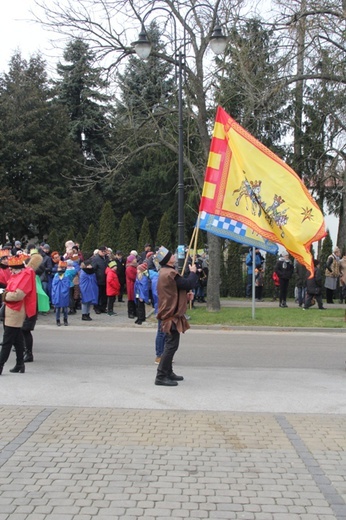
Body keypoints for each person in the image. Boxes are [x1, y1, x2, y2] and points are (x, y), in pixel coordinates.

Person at [154, 246, 198, 387]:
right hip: (169, 314)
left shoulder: (165, 272)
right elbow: (187, 283)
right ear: (167, 259)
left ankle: (168, 372)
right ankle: (161, 375)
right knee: (171, 345)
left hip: (167, 312)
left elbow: (176, 289)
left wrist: (185, 295)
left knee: (171, 344)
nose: (173, 255)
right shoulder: (170, 273)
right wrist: (192, 272)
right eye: (170, 254)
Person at [0, 254, 37, 375]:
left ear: (17, 268)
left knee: (7, 340)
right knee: (17, 340)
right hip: (12, 310)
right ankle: (20, 364)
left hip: (16, 311)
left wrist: (4, 295)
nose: (9, 270)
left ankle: (0, 364)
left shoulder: (23, 277)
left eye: (11, 268)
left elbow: (18, 295)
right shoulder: (19, 275)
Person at [51, 261, 70, 326]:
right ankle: (57, 320)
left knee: (65, 308)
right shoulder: (56, 275)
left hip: (64, 294)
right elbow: (54, 285)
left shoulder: (66, 275)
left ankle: (65, 319)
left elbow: (67, 285)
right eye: (59, 268)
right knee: (57, 308)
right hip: (57, 293)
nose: (60, 269)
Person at [91, 246, 109, 313]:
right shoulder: (96, 259)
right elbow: (93, 269)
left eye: (105, 251)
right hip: (98, 279)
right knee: (98, 294)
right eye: (102, 251)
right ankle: (96, 308)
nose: (104, 253)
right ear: (99, 251)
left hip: (106, 279)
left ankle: (103, 307)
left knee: (104, 295)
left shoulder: (107, 258)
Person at [126, 254, 137, 319]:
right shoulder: (129, 268)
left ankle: (135, 312)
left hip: (134, 284)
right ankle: (130, 313)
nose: (136, 260)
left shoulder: (134, 267)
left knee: (134, 299)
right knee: (131, 299)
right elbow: (132, 277)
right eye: (134, 259)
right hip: (131, 285)